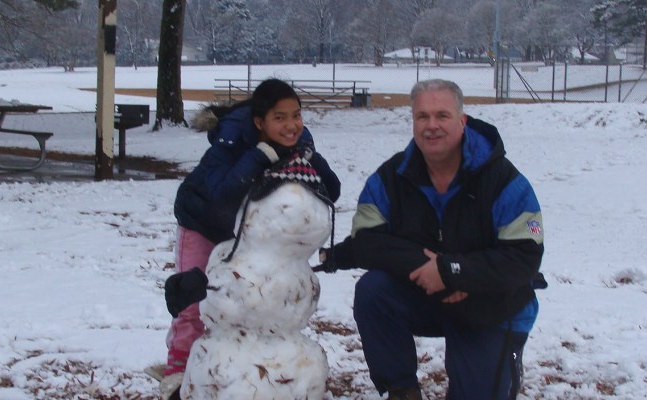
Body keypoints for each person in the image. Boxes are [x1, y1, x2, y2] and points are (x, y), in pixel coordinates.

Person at [320, 79, 545, 400]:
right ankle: (402, 390)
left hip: (491, 305)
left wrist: (452, 271)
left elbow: (524, 258)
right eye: (422, 116)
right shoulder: (391, 177)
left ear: (462, 120)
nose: (431, 125)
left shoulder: (505, 181)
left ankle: (500, 364)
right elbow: (367, 242)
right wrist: (430, 269)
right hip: (427, 295)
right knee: (374, 291)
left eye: (442, 115)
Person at [157, 78, 342, 400]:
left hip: (245, 235)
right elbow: (222, 194)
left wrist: (310, 159)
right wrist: (260, 155)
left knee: (248, 300)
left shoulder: (300, 143)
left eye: (296, 115)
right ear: (260, 122)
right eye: (280, 118)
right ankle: (178, 372)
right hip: (202, 221)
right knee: (194, 301)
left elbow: (332, 189)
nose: (291, 125)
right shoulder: (230, 139)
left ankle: (244, 371)